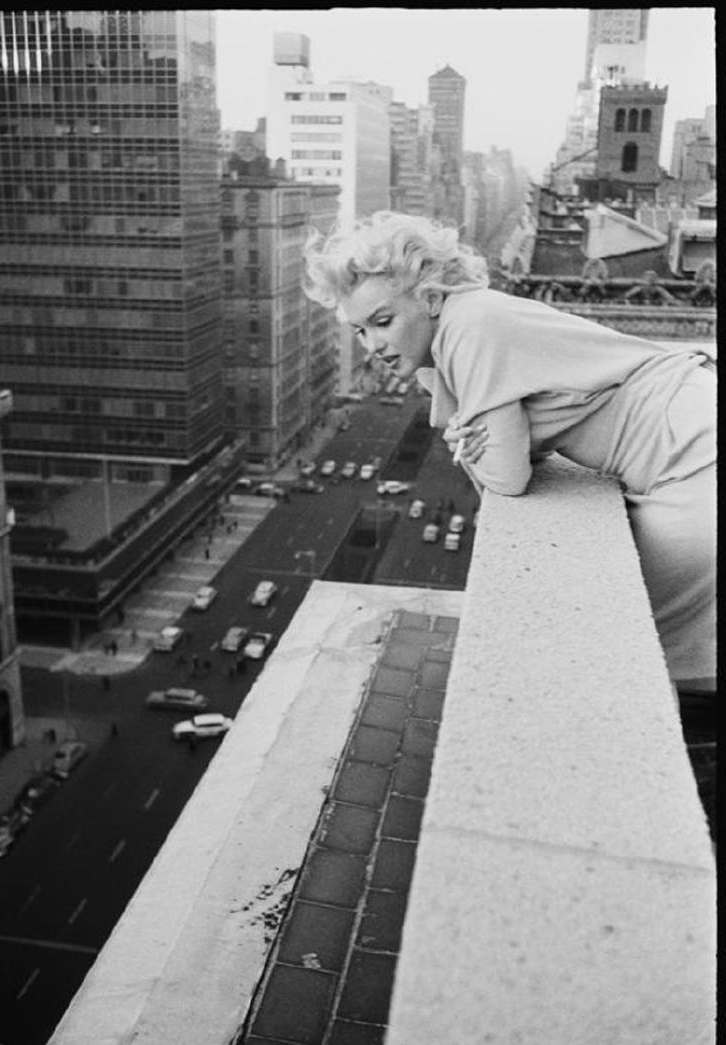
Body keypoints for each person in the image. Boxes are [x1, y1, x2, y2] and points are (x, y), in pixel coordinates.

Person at [303, 210, 716, 693]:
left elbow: (506, 479)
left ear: (431, 299)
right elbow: (516, 456)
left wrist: (472, 443)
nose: (373, 344)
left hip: (691, 453)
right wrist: (477, 438)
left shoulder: (470, 327)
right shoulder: (460, 329)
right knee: (633, 651)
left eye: (383, 321)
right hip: (686, 434)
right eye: (361, 330)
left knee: (626, 654)